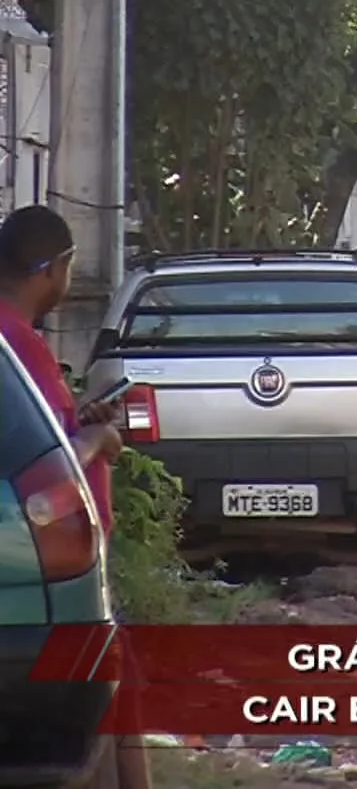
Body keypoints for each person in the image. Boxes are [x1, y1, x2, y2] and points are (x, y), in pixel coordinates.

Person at [0, 206, 152, 789]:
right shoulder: (17, 349)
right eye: (67, 268)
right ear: (50, 269)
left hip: (58, 572)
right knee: (114, 691)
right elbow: (39, 460)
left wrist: (79, 423)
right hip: (48, 573)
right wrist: (96, 438)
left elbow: (41, 436)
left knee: (120, 689)